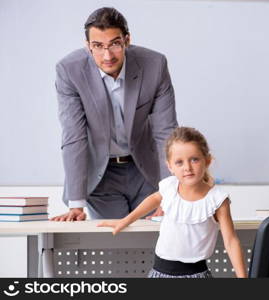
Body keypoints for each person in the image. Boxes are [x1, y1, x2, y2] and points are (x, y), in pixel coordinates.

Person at [51, 7, 177, 221]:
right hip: (102, 175)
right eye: (98, 46)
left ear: (127, 40)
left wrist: (170, 193)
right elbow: (74, 136)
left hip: (145, 169)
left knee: (153, 239)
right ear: (87, 46)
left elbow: (166, 133)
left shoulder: (154, 65)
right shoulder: (69, 71)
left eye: (115, 44)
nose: (107, 55)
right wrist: (76, 204)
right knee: (115, 242)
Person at [97, 127, 247, 278]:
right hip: (160, 274)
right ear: (170, 166)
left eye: (194, 159)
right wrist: (125, 220)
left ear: (207, 161)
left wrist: (243, 278)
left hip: (197, 275)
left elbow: (231, 241)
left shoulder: (217, 200)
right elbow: (154, 199)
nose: (187, 167)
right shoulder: (169, 186)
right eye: (179, 162)